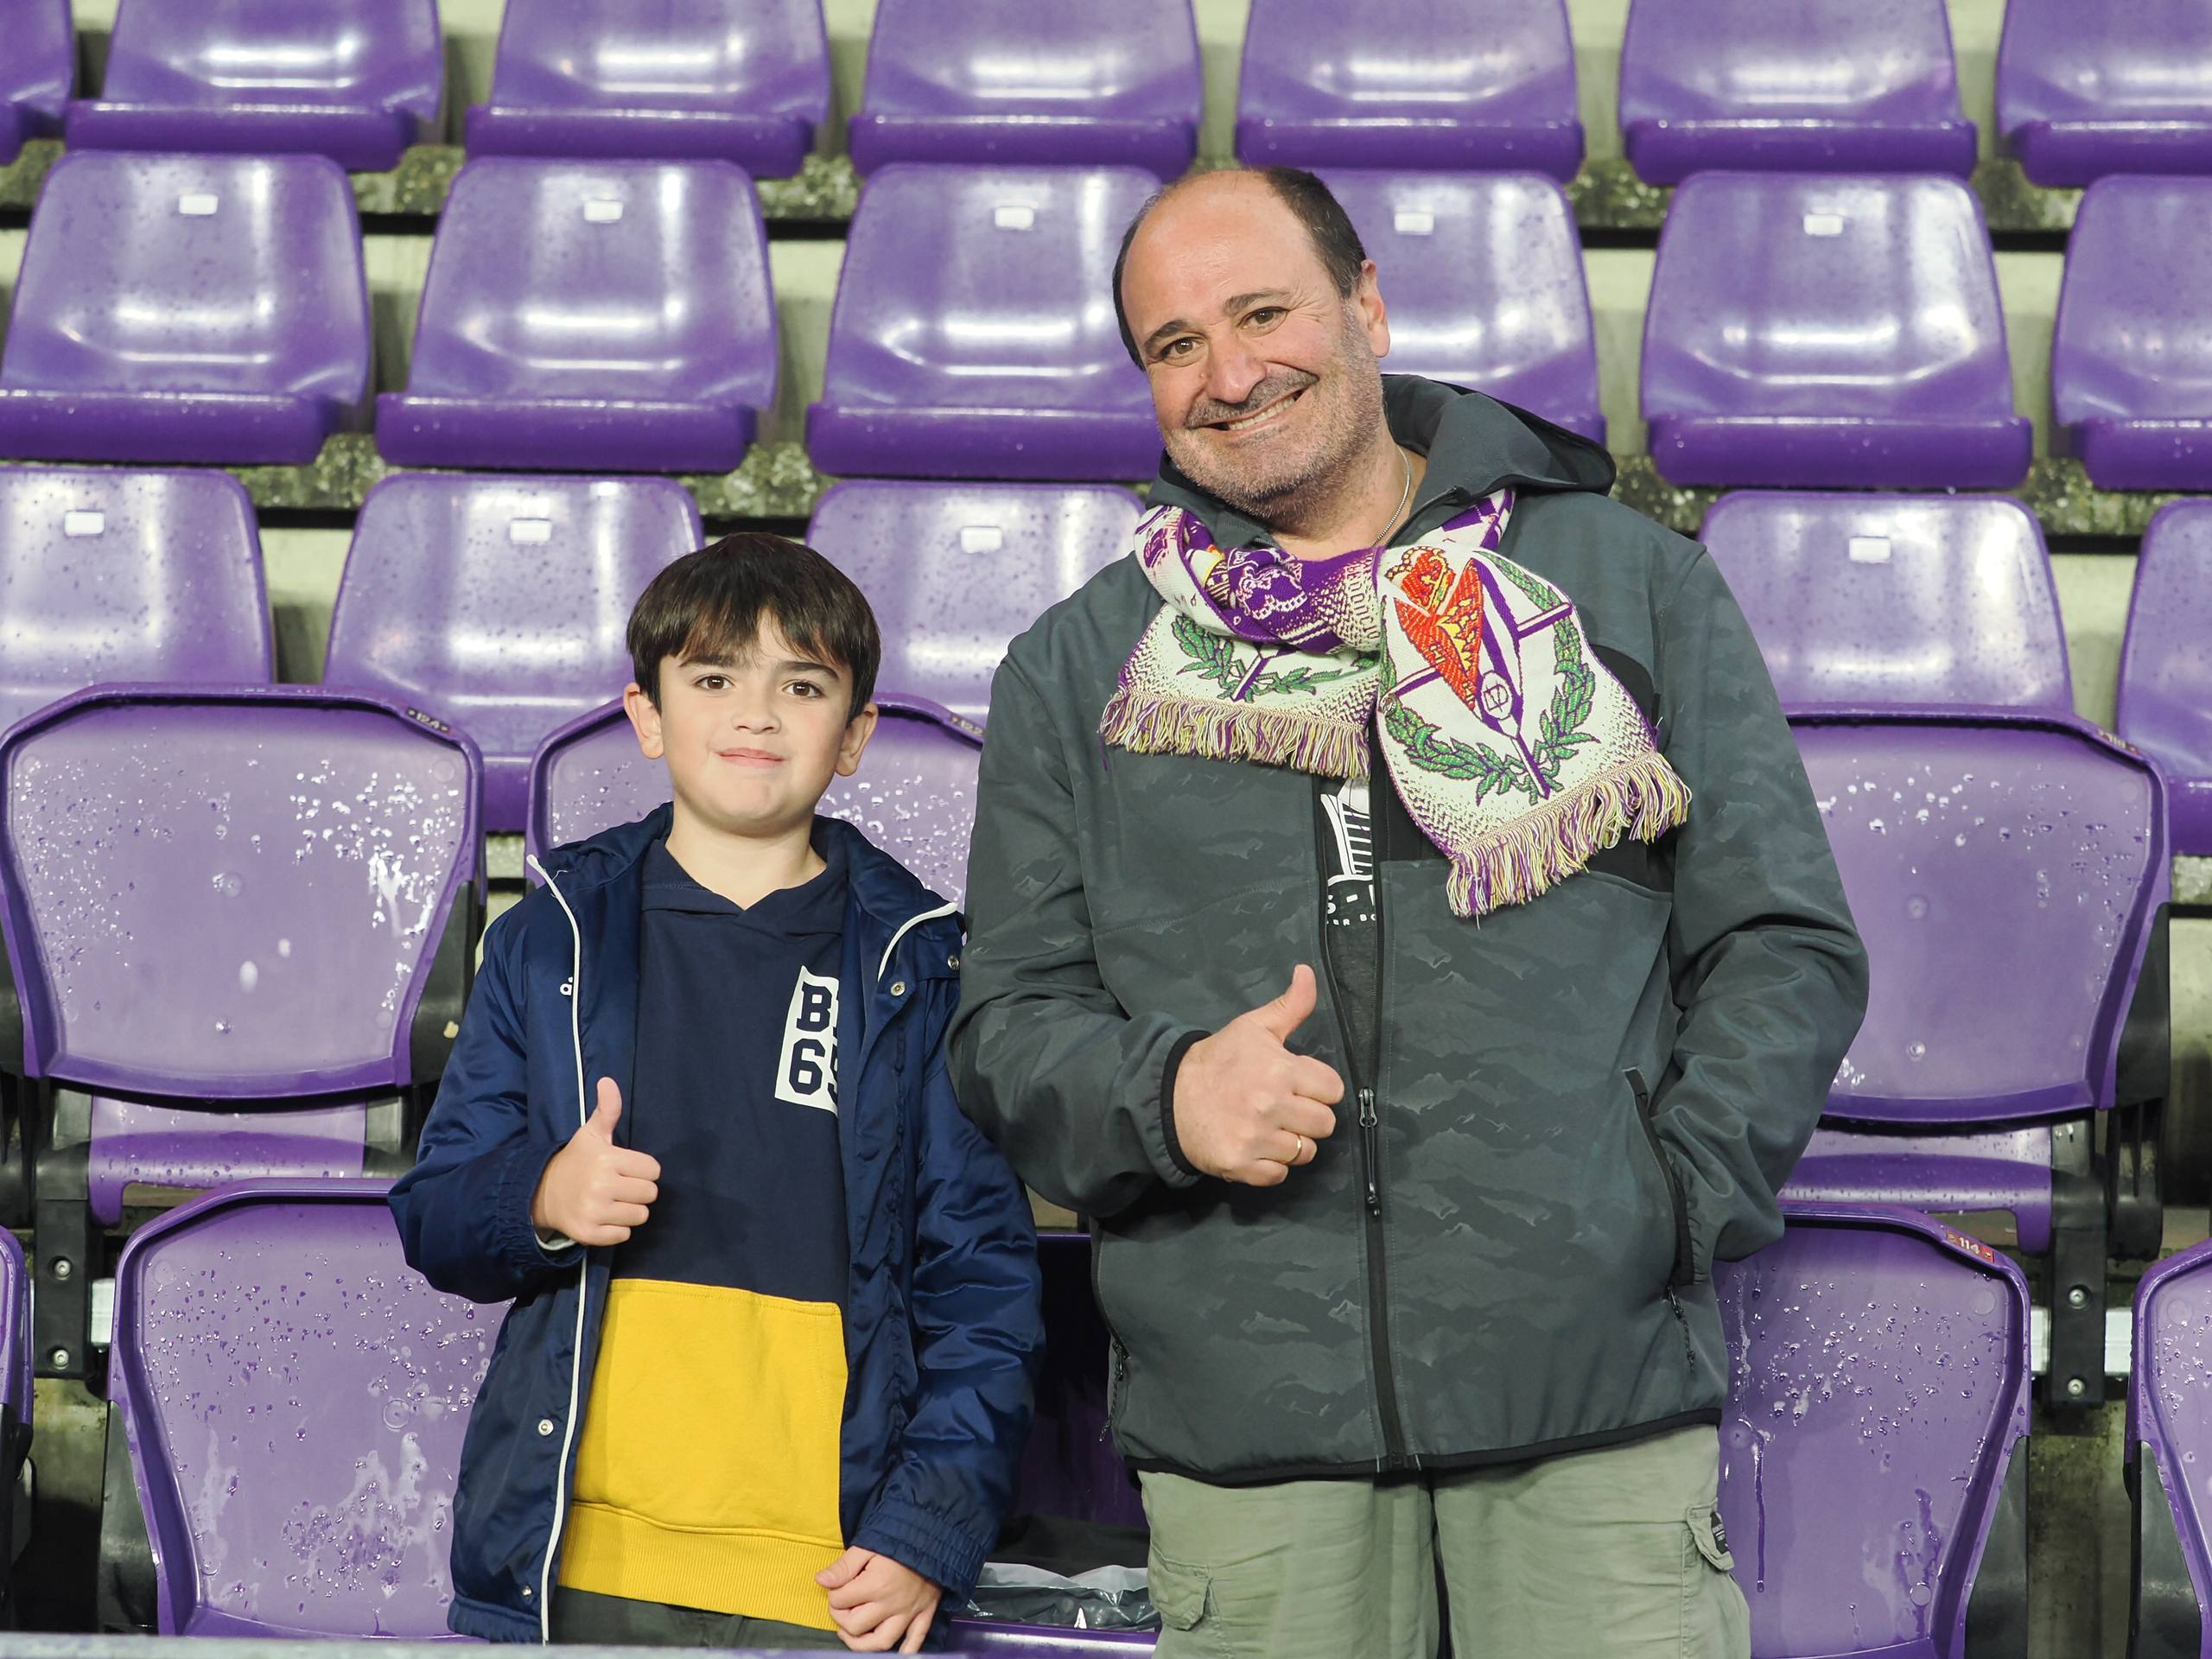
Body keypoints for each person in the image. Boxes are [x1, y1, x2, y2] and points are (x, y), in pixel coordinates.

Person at [948, 168, 1869, 1659]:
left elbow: (1783, 945)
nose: (1230, 373)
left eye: (1264, 313)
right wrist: (1164, 1094)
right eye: (1176, 344)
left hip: (1590, 1395)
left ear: (1365, 303)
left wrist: (1664, 1201)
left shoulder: (1625, 586)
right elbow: (1006, 1023)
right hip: (1251, 1419)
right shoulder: (1082, 668)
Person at [391, 533, 1043, 1652]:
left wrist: (929, 1528)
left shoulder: (921, 965)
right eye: (712, 680)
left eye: (803, 685)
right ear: (645, 716)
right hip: (578, 1561)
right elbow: (436, 1213)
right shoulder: (551, 939)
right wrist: (543, 1198)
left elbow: (980, 1281)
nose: (757, 715)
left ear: (855, 736)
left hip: (828, 1576)